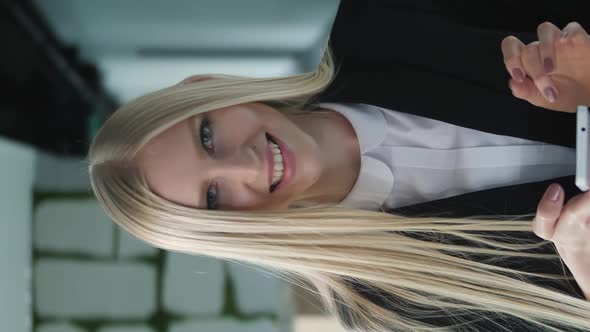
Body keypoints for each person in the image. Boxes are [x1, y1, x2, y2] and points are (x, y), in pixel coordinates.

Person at [88, 1, 590, 331]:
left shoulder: (385, 18)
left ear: (206, 86)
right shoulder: (392, 314)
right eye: (214, 198)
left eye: (207, 136)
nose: (246, 166)